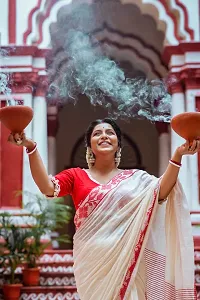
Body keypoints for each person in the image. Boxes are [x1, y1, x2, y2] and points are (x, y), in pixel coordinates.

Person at [8, 118, 198, 300]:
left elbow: (162, 192)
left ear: (118, 144)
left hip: (128, 261)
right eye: (97, 133)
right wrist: (31, 147)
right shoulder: (76, 175)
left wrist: (178, 156)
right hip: (92, 265)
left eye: (110, 133)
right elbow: (47, 187)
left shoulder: (136, 179)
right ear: (90, 145)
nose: (104, 136)